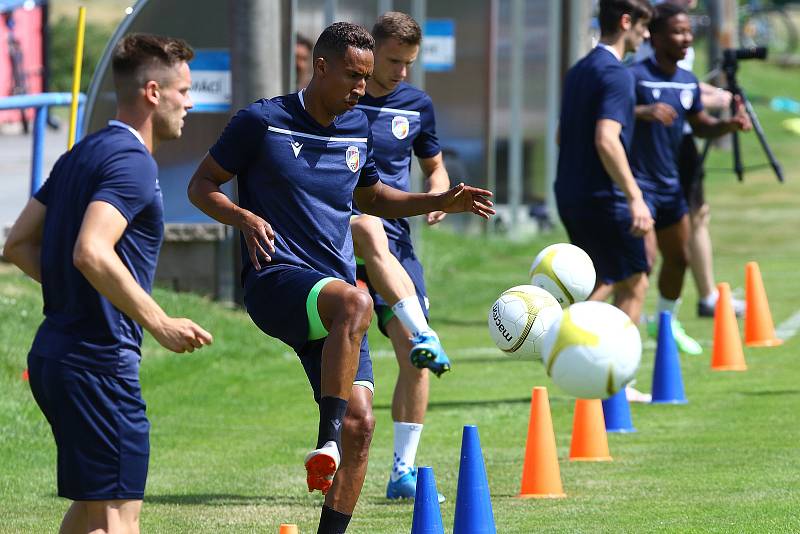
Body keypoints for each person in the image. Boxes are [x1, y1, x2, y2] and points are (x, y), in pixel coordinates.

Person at [186, 22, 493, 534]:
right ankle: (324, 438)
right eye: (353, 76)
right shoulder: (261, 121)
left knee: (363, 426)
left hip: (333, 304)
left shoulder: (357, 129)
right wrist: (242, 217)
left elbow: (371, 198)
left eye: (367, 77)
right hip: (277, 280)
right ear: (319, 65)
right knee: (357, 304)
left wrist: (439, 200)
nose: (361, 88)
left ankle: (335, 483)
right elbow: (202, 185)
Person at [2, 33, 211, 534]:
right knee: (118, 517)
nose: (190, 102)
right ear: (154, 92)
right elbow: (91, 250)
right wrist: (158, 321)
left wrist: (83, 290)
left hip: (54, 357)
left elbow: (18, 244)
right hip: (98, 364)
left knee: (93, 514)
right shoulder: (133, 162)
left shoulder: (83, 152)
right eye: (183, 90)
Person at [350, 11, 452, 501]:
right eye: (393, 61)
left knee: (415, 356)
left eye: (409, 63)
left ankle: (403, 470)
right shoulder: (337, 98)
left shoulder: (416, 105)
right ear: (370, 53)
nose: (401, 72)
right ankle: (333, 451)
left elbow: (435, 168)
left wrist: (438, 196)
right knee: (344, 360)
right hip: (335, 241)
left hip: (396, 242)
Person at [630, 2, 751, 353]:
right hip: (639, 185)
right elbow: (612, 114)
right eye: (677, 32)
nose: (685, 38)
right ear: (654, 36)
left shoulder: (686, 82)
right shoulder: (635, 76)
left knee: (680, 257)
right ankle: (627, 332)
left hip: (670, 184)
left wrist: (728, 124)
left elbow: (700, 125)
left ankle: (665, 325)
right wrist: (643, 111)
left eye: (687, 32)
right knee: (644, 262)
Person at [555, 0, 654, 325]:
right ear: (626, 22)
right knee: (634, 281)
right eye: (643, 26)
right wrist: (634, 196)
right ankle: (602, 366)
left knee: (604, 278)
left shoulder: (579, 71)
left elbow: (560, 135)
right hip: (603, 197)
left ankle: (576, 354)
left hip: (569, 193)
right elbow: (607, 139)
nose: (646, 34)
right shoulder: (617, 74)